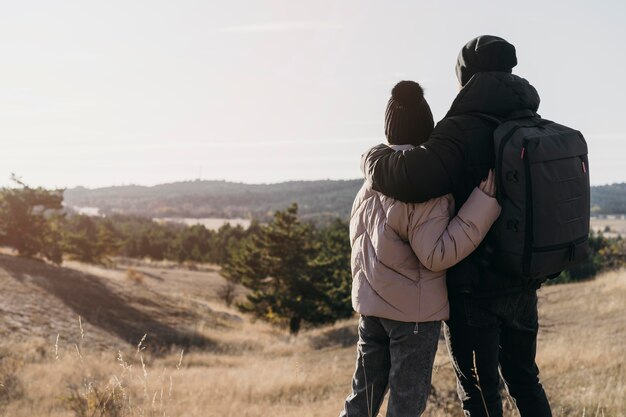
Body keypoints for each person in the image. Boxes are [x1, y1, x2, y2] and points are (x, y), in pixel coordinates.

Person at [360, 36, 553, 417]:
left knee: (479, 394)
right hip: (522, 281)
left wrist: (373, 158)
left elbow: (409, 178)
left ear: (465, 75)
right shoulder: (530, 121)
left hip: (474, 288)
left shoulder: (458, 131)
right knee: (525, 379)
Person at [340, 80, 501, 417]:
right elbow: (435, 254)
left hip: (371, 311)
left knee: (361, 401)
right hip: (412, 318)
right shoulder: (422, 186)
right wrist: (481, 205)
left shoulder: (368, 185)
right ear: (428, 126)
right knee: (405, 405)